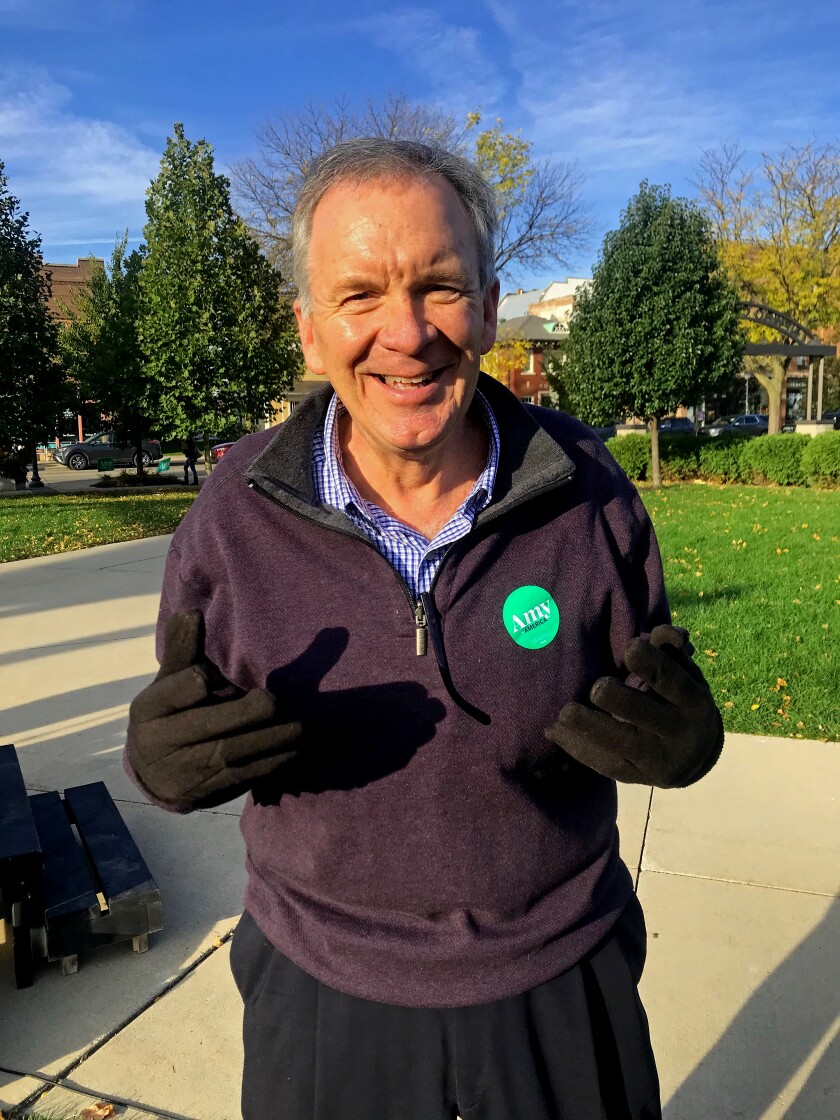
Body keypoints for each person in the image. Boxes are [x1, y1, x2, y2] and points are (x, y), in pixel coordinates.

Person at [124, 139, 724, 1120]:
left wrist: (690, 742)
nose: (405, 334)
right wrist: (158, 760)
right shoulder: (232, 515)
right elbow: (193, 709)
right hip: (323, 990)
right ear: (310, 332)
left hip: (559, 978)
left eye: (439, 287)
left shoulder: (588, 490)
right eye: (360, 295)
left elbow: (651, 681)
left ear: (488, 309)